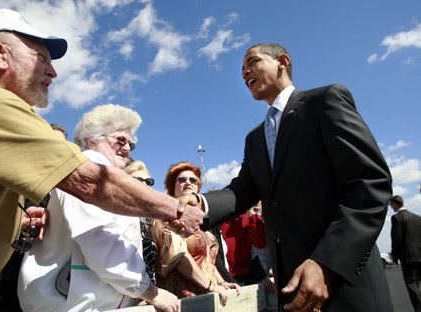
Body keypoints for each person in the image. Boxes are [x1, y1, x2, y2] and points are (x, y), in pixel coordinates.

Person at [0, 9, 203, 290]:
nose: (53, 71)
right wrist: (176, 209)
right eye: (40, 57)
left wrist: (15, 219)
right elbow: (91, 182)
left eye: (132, 143)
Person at [181, 43, 393, 311]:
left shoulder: (324, 102)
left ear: (282, 61)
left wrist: (326, 261)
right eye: (242, 70)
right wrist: (200, 204)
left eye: (252, 63)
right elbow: (243, 190)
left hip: (344, 281)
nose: (245, 73)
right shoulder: (255, 138)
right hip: (291, 286)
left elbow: (370, 183)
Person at [18, 104, 179, 312]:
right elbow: (100, 239)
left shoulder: (109, 176)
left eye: (131, 144)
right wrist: (150, 292)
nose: (128, 148)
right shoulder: (90, 164)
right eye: (120, 140)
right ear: (91, 140)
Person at [151, 162, 240, 306]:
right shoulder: (165, 215)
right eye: (181, 179)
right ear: (171, 186)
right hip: (181, 300)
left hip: (210, 297)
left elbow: (208, 259)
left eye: (193, 180)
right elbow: (178, 256)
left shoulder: (201, 220)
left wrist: (222, 282)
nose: (188, 183)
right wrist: (211, 286)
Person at [220, 201, 274, 293]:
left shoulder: (250, 218)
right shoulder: (222, 218)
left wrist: (251, 213)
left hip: (244, 277)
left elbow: (260, 243)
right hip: (222, 277)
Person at [125, 160, 158, 285]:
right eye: (138, 180)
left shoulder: (148, 221)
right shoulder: (117, 216)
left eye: (149, 182)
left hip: (151, 295)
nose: (144, 185)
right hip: (130, 296)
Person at [390, 195, 421, 312]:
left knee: (412, 284)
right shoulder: (417, 217)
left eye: (391, 205)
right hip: (420, 255)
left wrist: (395, 256)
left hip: (408, 258)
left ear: (394, 204)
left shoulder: (397, 218)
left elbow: (396, 239)